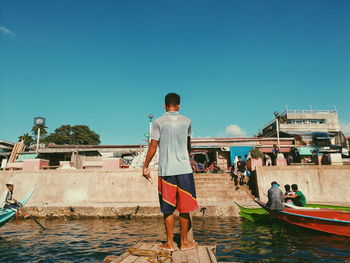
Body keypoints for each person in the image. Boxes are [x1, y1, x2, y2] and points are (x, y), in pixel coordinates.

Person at [142, 93, 198, 252]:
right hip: (185, 170)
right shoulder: (187, 121)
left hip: (166, 171)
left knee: (167, 208)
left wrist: (145, 165)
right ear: (179, 105)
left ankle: (169, 243)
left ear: (165, 106)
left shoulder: (159, 122)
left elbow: (153, 145)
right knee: (184, 208)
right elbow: (188, 145)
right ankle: (185, 243)